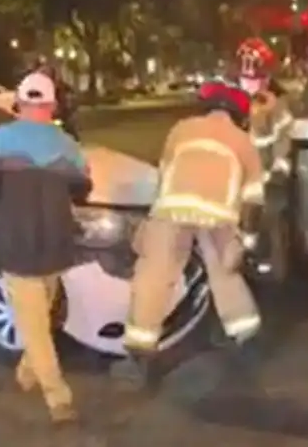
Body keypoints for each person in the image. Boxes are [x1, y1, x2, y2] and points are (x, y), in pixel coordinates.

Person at [110, 80, 265, 389]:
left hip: (172, 211)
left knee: (153, 278)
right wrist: (245, 243)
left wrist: (152, 222)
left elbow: (165, 174)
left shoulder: (181, 129)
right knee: (225, 274)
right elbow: (253, 199)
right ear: (239, 115)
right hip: (219, 217)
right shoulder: (243, 141)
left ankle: (138, 356)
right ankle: (245, 337)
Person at [0, 72, 91, 424]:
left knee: (34, 322)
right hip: (56, 241)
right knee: (41, 317)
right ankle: (27, 374)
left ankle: (58, 399)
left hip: (14, 241)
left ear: (18, 104)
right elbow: (82, 186)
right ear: (51, 105)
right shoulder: (67, 144)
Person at [234, 37, 293, 279]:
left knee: (269, 219)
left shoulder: (276, 106)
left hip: (266, 178)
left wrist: (280, 167)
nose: (249, 83)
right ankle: (241, 259)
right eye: (245, 77)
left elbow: (284, 139)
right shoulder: (232, 103)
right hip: (236, 178)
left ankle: (266, 262)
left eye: (254, 77)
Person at [33, 59, 78, 139]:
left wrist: (66, 108)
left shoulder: (62, 88)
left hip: (59, 117)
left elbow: (69, 101)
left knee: (69, 128)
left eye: (47, 75)